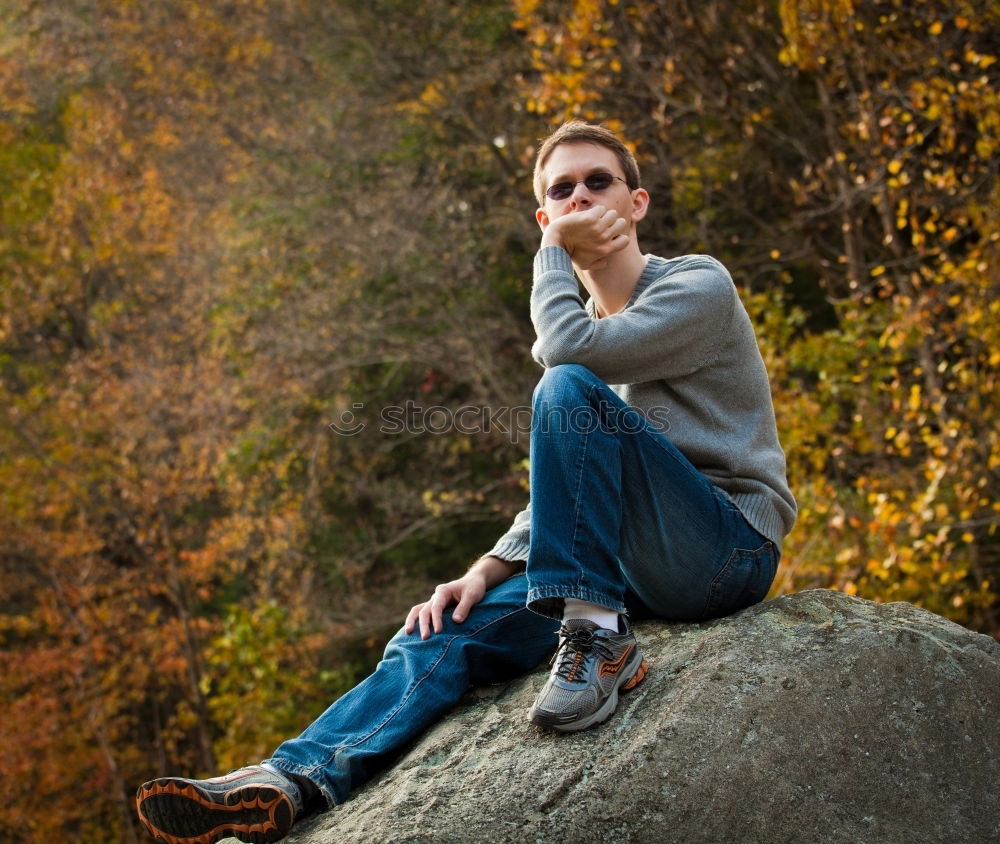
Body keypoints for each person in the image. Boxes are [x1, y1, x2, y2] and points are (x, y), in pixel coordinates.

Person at [135, 121, 796, 844]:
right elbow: (572, 481)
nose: (580, 197)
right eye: (561, 191)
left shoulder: (696, 285)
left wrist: (549, 255)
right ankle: (292, 779)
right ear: (546, 214)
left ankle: (596, 639)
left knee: (564, 385)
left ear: (636, 203)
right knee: (440, 624)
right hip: (636, 564)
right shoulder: (586, 353)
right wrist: (481, 571)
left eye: (598, 182)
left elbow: (566, 354)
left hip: (727, 548)